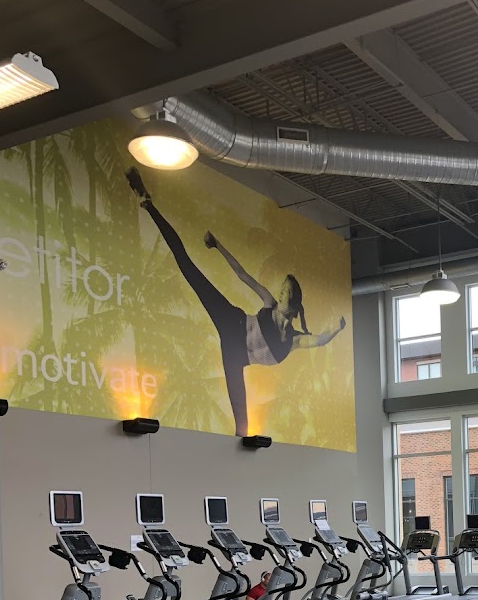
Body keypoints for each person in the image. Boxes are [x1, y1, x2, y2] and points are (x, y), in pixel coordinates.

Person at [125, 167, 346, 437]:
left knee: (242, 427)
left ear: (295, 305)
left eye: (285, 293)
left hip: (235, 357)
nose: (279, 295)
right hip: (232, 322)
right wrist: (218, 245)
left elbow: (320, 340)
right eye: (281, 291)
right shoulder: (268, 303)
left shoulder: (294, 340)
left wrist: (337, 328)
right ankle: (148, 203)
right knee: (187, 266)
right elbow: (242, 274)